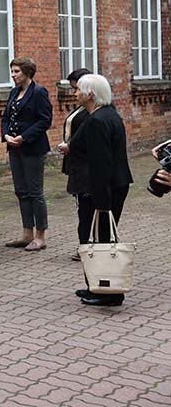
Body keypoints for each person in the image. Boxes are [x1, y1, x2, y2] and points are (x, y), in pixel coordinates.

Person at [68, 74, 133, 306]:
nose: (75, 94)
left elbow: (101, 164)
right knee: (98, 238)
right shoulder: (109, 115)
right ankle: (96, 285)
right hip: (115, 184)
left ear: (91, 94)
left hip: (104, 189)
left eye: (79, 90)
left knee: (99, 240)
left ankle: (109, 292)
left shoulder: (97, 120)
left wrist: (101, 201)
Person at [1, 57, 53, 251]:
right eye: (12, 71)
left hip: (32, 147)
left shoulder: (38, 92)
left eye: (17, 71)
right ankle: (26, 233)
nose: (13, 75)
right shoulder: (14, 92)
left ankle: (40, 236)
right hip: (14, 148)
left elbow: (44, 120)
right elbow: (6, 116)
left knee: (35, 192)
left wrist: (23, 137)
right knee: (21, 191)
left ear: (27, 72)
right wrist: (6, 135)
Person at [56, 68, 91, 261]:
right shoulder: (81, 108)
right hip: (75, 162)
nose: (74, 93)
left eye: (76, 88)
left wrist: (70, 146)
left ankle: (86, 245)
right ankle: (85, 243)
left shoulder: (92, 111)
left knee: (86, 208)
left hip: (83, 165)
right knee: (82, 207)